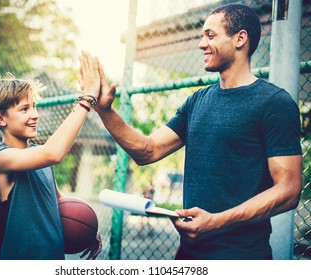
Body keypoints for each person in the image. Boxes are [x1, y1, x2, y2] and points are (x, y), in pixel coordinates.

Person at [81, 3, 303, 259]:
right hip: (188, 254)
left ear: (240, 38)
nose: (201, 44)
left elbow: (288, 190)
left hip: (241, 258)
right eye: (202, 36)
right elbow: (147, 151)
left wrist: (216, 221)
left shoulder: (274, 103)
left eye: (210, 35)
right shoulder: (197, 101)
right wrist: (105, 111)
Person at [0, 53, 102, 260]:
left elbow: (58, 201)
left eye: (34, 106)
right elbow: (53, 153)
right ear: (0, 118)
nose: (35, 114)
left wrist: (86, 230)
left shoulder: (39, 156)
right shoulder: (1, 159)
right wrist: (86, 98)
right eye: (24, 109)